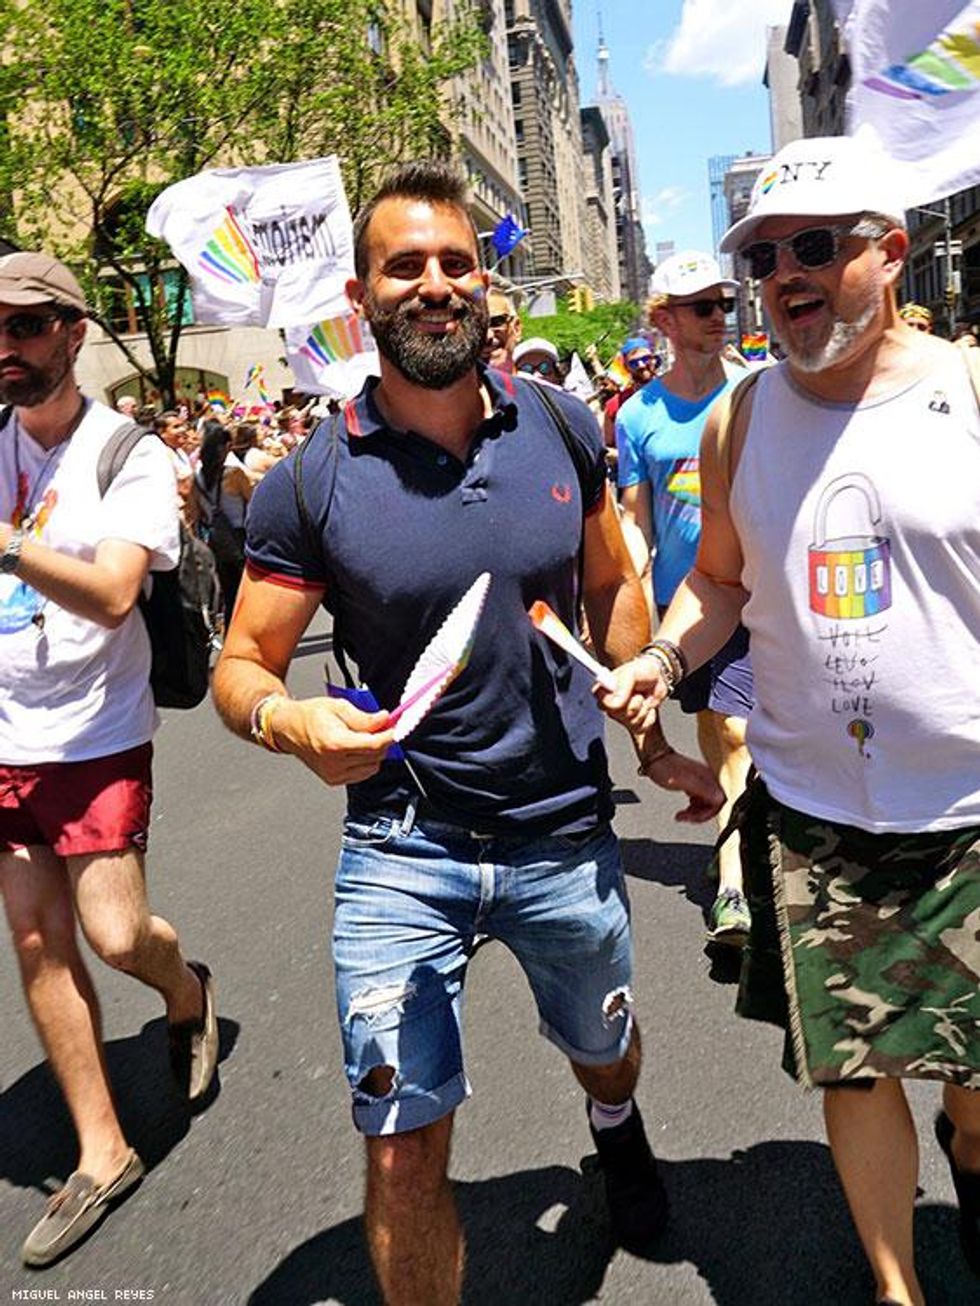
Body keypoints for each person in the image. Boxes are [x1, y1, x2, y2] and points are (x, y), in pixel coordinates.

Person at [212, 160, 723, 1304]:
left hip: (561, 834)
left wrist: (641, 709)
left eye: (455, 264)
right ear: (362, 296)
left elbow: (609, 582)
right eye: (406, 266)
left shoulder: (556, 422)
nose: (435, 285)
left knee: (605, 1044)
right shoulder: (309, 481)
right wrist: (291, 717)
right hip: (402, 848)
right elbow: (238, 665)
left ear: (485, 286)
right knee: (398, 1141)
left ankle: (613, 1119)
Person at [605, 134, 980, 1305]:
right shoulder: (739, 421)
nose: (784, 276)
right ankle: (892, 1286)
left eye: (814, 247)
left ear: (891, 252)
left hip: (971, 816)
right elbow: (718, 579)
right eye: (764, 257)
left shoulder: (965, 390)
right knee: (857, 1071)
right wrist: (664, 656)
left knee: (970, 1080)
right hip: (817, 818)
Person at [0, 251, 218, 1267]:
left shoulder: (124, 452)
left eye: (28, 326)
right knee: (40, 942)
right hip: (6, 732)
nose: (7, 346)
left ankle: (184, 993)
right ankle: (102, 1150)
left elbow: (116, 593)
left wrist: (7, 545)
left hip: (94, 729)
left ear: (74, 332)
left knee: (117, 932)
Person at [616, 250, 755, 947]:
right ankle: (743, 839)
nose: (717, 318)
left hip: (759, 592)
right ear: (665, 319)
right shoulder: (637, 415)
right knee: (718, 725)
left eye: (722, 304)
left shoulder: (755, 390)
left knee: (739, 730)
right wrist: (632, 603)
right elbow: (635, 523)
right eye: (701, 306)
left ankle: (733, 882)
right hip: (690, 603)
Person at [194, 418, 253, 628]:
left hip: (216, 541)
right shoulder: (234, 474)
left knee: (229, 594)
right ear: (226, 446)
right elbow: (253, 502)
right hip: (240, 537)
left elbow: (197, 512)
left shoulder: (198, 477)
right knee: (248, 592)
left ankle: (232, 635)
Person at [601, 338, 658, 451]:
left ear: (654, 360)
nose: (641, 365)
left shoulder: (676, 394)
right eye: (633, 362)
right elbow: (607, 447)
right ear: (626, 367)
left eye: (645, 359)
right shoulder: (615, 405)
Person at [480, 287, 521, 371]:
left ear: (516, 328)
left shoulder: (535, 383)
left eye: (496, 322)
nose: (488, 336)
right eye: (477, 325)